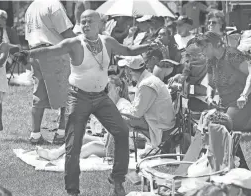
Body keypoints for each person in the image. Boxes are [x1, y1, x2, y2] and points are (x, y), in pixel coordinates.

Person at [14, 9, 159, 196]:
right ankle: (72, 190)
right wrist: (27, 54)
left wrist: (149, 46)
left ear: (100, 24)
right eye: (83, 21)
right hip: (78, 97)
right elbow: (51, 50)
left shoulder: (107, 41)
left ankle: (117, 180)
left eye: (90, 21)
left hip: (101, 97)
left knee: (122, 131)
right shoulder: (74, 43)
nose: (86, 25)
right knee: (73, 146)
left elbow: (128, 51)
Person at [36, 75, 132, 161]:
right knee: (82, 137)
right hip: (108, 141)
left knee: (92, 146)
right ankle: (55, 154)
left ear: (117, 89)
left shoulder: (124, 104)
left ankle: (66, 159)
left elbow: (126, 123)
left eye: (107, 89)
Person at [24, 0, 75, 145]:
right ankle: (62, 133)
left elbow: (29, 35)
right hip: (54, 51)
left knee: (38, 95)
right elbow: (65, 32)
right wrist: (83, 43)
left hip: (36, 52)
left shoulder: (31, 6)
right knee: (68, 93)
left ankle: (35, 135)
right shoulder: (54, 5)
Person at [188, 32, 251, 132]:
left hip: (241, 103)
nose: (202, 53)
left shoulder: (231, 54)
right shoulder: (210, 60)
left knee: (219, 128)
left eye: (202, 48)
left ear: (210, 45)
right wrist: (209, 96)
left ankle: (250, 121)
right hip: (223, 104)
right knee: (208, 122)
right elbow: (211, 84)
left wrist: (244, 95)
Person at [119, 55, 177, 156]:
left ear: (129, 70)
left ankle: (114, 152)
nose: (124, 72)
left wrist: (120, 110)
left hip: (160, 128)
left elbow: (136, 113)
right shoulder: (148, 80)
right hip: (161, 123)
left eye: (125, 69)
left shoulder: (146, 84)